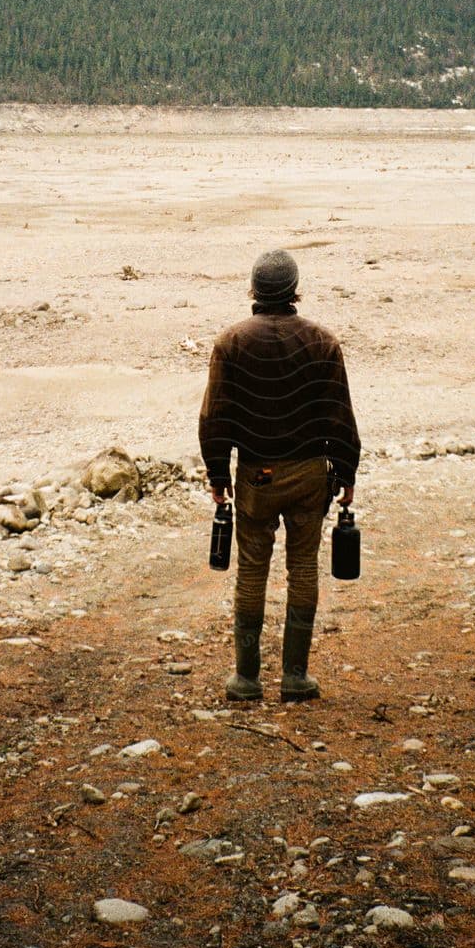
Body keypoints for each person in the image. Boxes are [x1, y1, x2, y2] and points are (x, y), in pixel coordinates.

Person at [198, 249, 360, 703]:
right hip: (310, 474)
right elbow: (339, 414)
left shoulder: (230, 342)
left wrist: (217, 473)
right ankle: (295, 677)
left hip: (255, 476)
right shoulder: (322, 342)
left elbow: (215, 417)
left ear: (253, 291)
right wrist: (347, 472)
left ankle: (247, 680)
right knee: (303, 567)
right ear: (295, 291)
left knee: (251, 572)